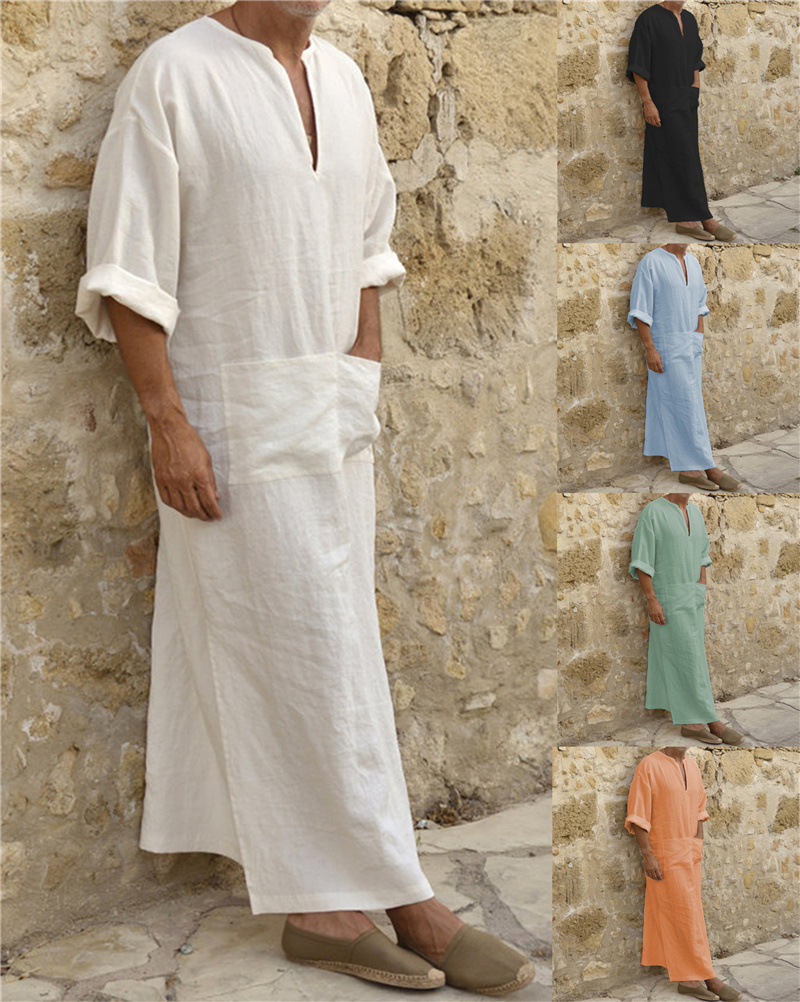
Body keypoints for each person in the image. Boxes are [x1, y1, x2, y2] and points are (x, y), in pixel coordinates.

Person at [75, 1, 534, 994]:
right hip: (228, 422)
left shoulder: (344, 79)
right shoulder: (175, 74)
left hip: (331, 417)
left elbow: (367, 242)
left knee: (337, 648)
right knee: (293, 652)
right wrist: (167, 422)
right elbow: (127, 268)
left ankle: (353, 893)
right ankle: (372, 899)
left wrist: (361, 367)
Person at [625, 748, 742, 1001]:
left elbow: (700, 808)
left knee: (691, 914)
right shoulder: (649, 766)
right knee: (683, 916)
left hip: (690, 854)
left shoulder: (693, 765)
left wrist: (698, 840)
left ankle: (695, 976)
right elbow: (638, 814)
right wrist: (648, 854)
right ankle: (702, 977)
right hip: (664, 855)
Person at [629, 494, 743, 746]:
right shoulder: (653, 512)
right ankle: (705, 721)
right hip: (668, 598)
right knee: (687, 658)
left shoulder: (696, 513)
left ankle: (698, 719)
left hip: (692, 597)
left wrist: (701, 583)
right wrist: (652, 600)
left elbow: (702, 553)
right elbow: (642, 560)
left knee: (693, 657)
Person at [627, 243, 740, 492]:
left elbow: (700, 304)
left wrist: (698, 335)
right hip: (666, 348)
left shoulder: (694, 263)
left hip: (691, 346)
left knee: (692, 405)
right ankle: (701, 468)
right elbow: (640, 310)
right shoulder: (651, 262)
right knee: (683, 406)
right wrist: (650, 348)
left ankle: (697, 466)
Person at [626, 1, 735, 242]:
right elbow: (638, 63)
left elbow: (695, 57)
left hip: (687, 98)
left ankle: (694, 217)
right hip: (662, 100)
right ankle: (699, 219)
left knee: (687, 155)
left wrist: (695, 87)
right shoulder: (649, 19)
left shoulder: (690, 19)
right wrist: (648, 102)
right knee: (678, 156)